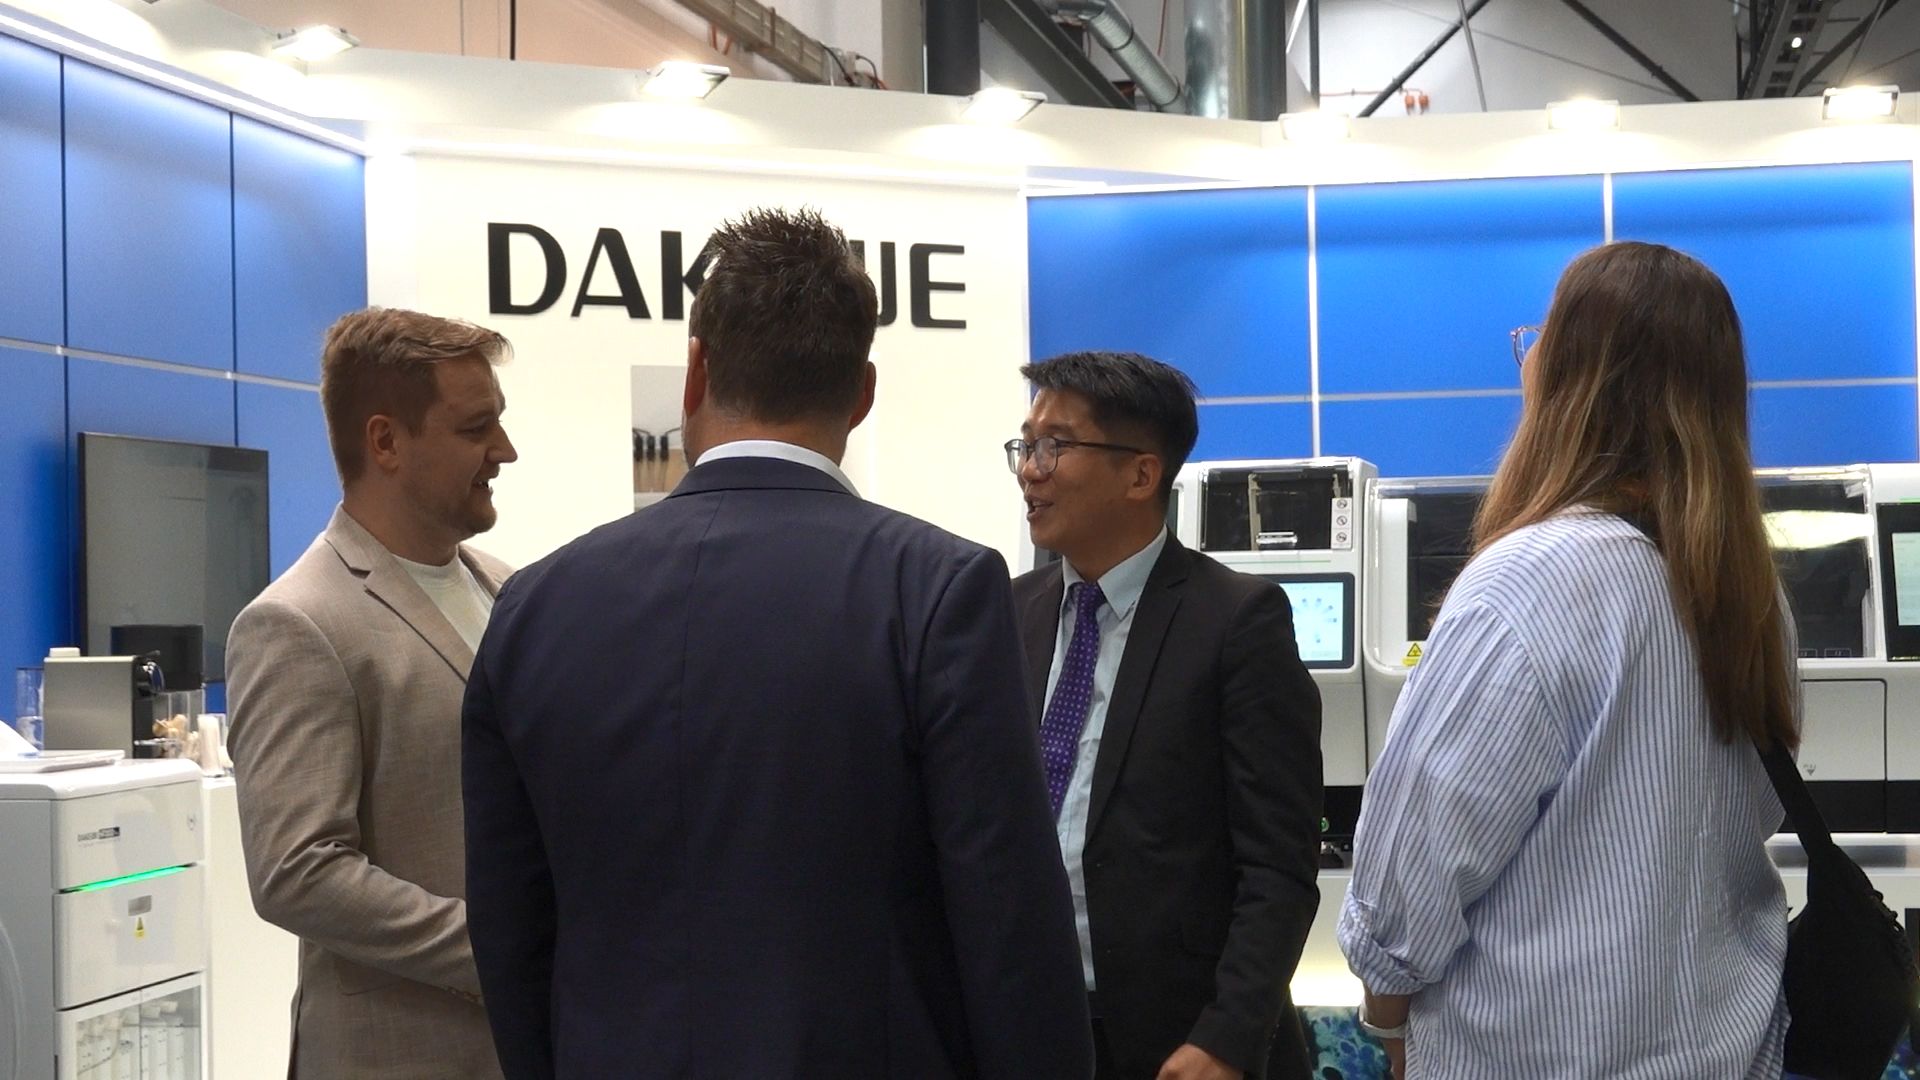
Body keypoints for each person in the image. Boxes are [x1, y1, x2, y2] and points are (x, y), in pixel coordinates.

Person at [461, 207, 1092, 1080]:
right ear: (863, 393)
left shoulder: (533, 604)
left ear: (696, 371)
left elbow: (509, 927)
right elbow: (1006, 916)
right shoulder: (936, 589)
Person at [1338, 241, 1795, 1078]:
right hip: (1732, 1048)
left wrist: (1388, 1024)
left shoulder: (1528, 580)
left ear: (1574, 378)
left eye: (1542, 336)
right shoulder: (1751, 592)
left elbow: (1410, 878)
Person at [1009, 351, 1324, 1080]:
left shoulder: (1237, 621)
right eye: (1025, 445)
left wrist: (1228, 1037)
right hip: (1033, 1023)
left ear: (1141, 474)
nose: (1030, 470)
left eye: (1055, 445)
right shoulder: (1008, 609)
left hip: (1182, 1039)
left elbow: (1279, 864)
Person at [226, 307, 521, 1078]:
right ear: (386, 442)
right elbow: (298, 872)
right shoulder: (295, 623)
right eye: (476, 428)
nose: (505, 450)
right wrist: (503, 950)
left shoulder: (511, 589)